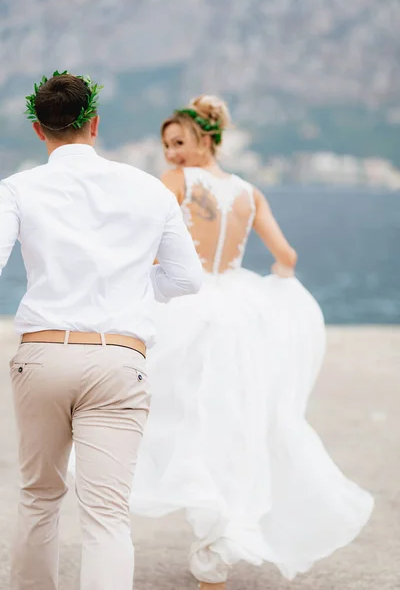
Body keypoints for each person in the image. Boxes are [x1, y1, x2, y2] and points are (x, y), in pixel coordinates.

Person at [129, 95, 374, 589]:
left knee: (176, 422)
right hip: (238, 315)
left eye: (178, 143)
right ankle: (216, 550)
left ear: (204, 139)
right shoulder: (250, 193)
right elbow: (286, 254)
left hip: (187, 313)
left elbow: (142, 243)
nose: (171, 154)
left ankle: (210, 545)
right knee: (226, 427)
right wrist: (275, 288)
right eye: (166, 147)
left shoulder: (176, 183)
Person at [0, 71, 203, 590]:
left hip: (42, 357)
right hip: (118, 359)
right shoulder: (148, 188)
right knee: (107, 515)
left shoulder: (17, 189)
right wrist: (135, 284)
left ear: (38, 129)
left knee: (38, 498)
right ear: (94, 123)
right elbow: (185, 277)